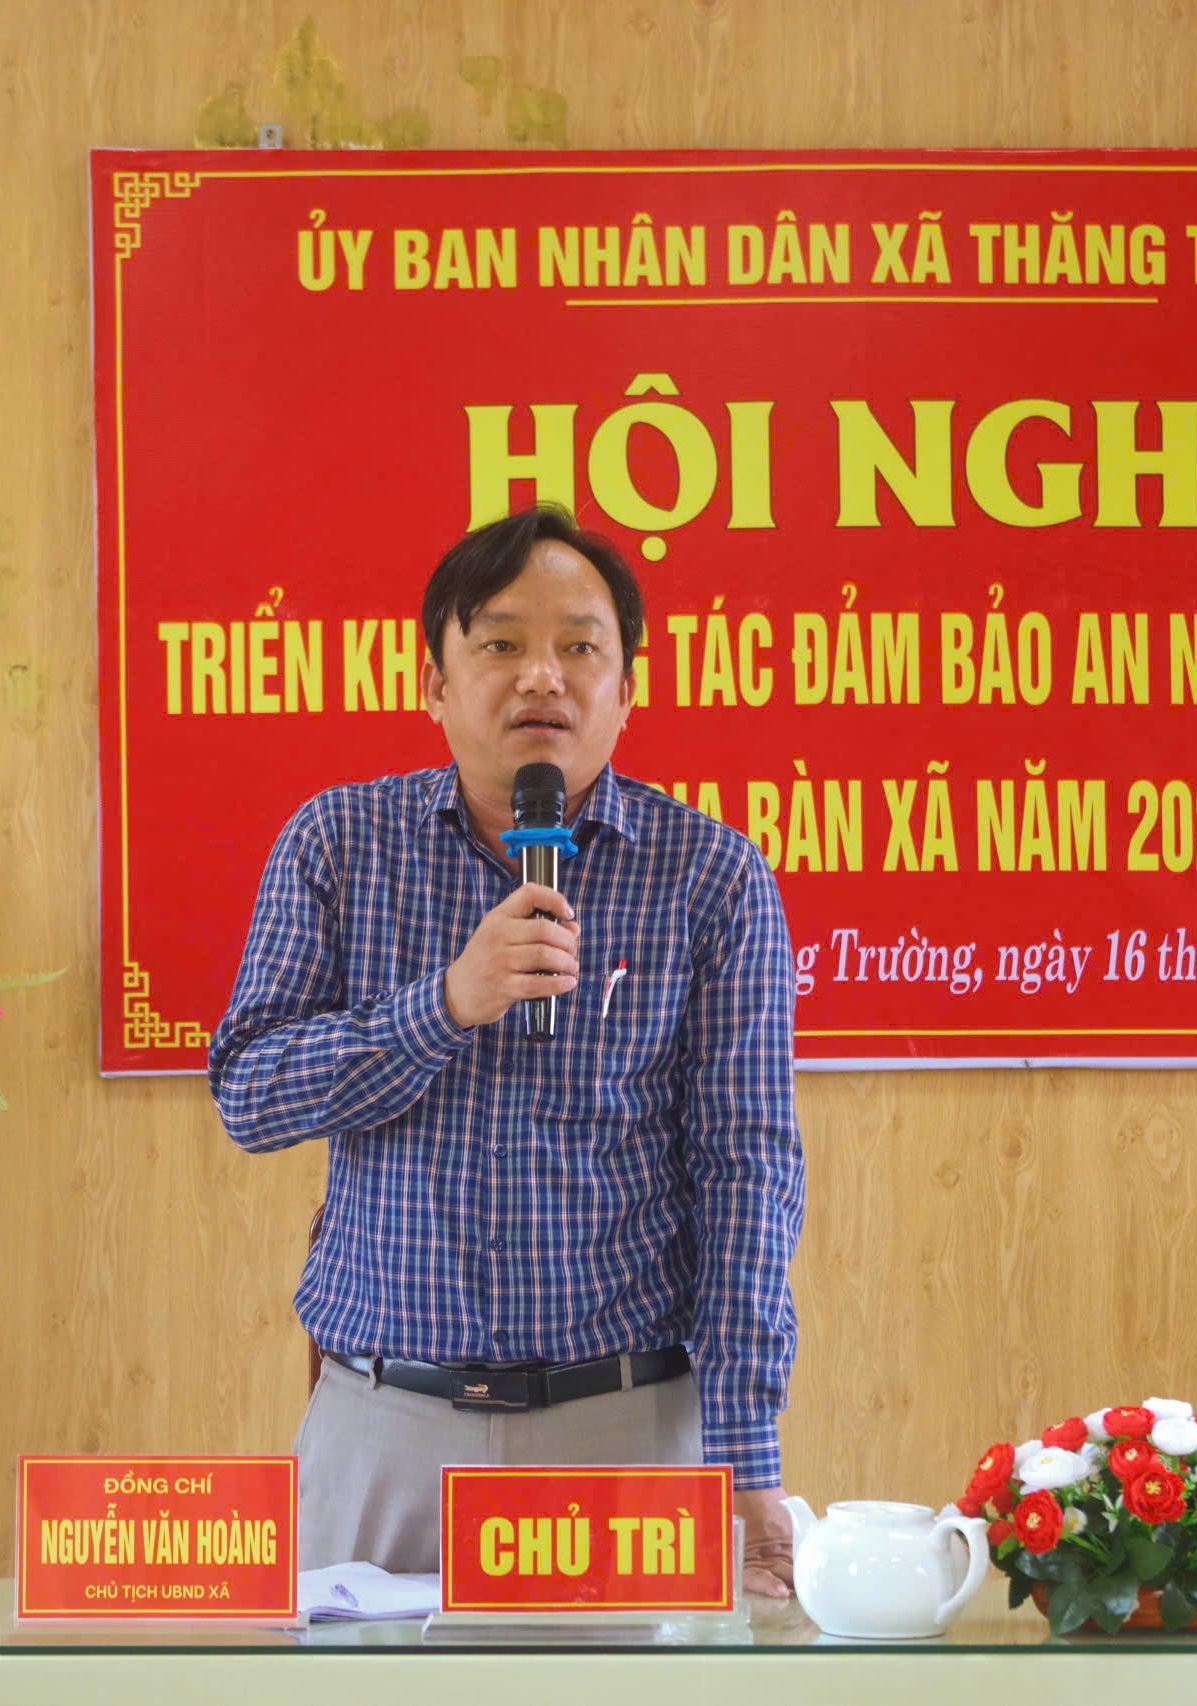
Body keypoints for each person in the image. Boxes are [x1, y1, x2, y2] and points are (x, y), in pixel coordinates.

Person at [209, 505, 804, 1596]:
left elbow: (745, 1174)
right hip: (385, 1426)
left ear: (627, 689)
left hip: (625, 1428)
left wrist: (746, 1453)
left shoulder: (710, 877)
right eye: (500, 643)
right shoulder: (337, 845)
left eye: (580, 646)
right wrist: (445, 1002)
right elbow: (251, 1094)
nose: (542, 676)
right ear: (433, 684)